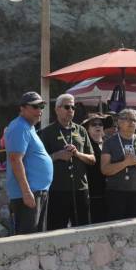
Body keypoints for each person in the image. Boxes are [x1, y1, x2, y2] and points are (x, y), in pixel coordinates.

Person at [38, 94, 95, 230]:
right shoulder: (47, 132)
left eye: (73, 107)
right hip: (58, 189)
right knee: (56, 231)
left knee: (83, 230)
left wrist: (77, 154)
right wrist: (56, 156)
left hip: (80, 188)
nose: (71, 110)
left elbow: (93, 159)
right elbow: (39, 162)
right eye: (67, 107)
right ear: (57, 109)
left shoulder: (81, 130)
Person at [5, 92, 54, 234]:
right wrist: (26, 192)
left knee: (37, 239)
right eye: (35, 106)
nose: (39, 110)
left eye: (42, 106)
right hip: (28, 193)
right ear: (22, 108)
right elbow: (15, 160)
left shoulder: (28, 126)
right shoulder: (19, 127)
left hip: (37, 191)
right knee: (28, 241)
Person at [101, 109, 136, 220]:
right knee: (116, 227)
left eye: (134, 120)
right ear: (118, 122)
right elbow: (105, 169)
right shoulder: (109, 142)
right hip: (116, 192)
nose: (131, 122)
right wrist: (125, 163)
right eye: (126, 119)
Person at [83, 114, 108, 223]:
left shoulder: (108, 143)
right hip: (93, 191)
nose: (98, 126)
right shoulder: (85, 145)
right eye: (94, 124)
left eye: (100, 124)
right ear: (87, 129)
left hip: (109, 191)